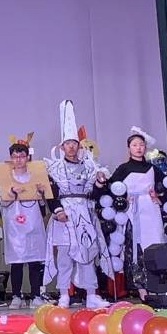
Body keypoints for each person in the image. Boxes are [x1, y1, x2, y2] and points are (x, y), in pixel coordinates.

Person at [43, 100, 111, 309]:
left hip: (85, 214)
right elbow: (50, 193)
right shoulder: (54, 168)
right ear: (62, 147)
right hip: (64, 214)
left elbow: (96, 194)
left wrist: (100, 183)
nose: (71, 146)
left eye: (74, 143)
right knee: (64, 255)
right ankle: (64, 294)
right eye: (67, 143)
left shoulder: (89, 167)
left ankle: (91, 294)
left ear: (79, 145)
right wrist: (57, 210)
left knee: (88, 252)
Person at [102, 127, 166, 300]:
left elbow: (166, 185)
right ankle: (142, 289)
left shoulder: (152, 168)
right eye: (135, 145)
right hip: (133, 212)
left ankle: (156, 287)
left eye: (141, 145)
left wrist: (158, 197)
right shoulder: (123, 168)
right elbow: (110, 187)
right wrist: (123, 197)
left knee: (156, 245)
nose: (138, 148)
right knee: (135, 248)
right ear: (129, 148)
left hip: (150, 210)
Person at [0, 139, 48, 309]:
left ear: (27, 157)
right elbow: (2, 202)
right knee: (16, 261)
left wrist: (42, 193)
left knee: (35, 260)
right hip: (14, 222)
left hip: (33, 220)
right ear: (11, 158)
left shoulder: (36, 176)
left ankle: (36, 295)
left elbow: (43, 203)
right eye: (15, 156)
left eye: (22, 156)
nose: (18, 160)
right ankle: (16, 296)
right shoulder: (4, 178)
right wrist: (11, 192)